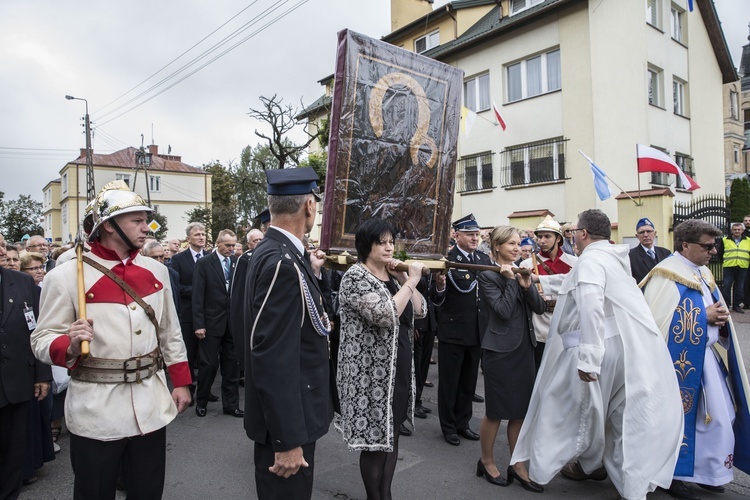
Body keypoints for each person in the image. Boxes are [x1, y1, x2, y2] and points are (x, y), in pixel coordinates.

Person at [31, 181, 192, 499]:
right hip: (97, 410)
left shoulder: (156, 271)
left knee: (147, 491)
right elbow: (42, 338)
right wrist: (71, 344)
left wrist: (181, 381)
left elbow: (170, 332)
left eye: (146, 220)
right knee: (95, 493)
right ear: (108, 225)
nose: (147, 228)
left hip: (150, 404)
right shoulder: (64, 276)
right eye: (137, 220)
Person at [510, 209, 683, 500]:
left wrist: (589, 359)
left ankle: (535, 467)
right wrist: (538, 280)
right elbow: (575, 283)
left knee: (559, 407)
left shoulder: (591, 260)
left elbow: (590, 304)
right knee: (610, 417)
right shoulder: (609, 257)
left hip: (595, 348)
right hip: (621, 349)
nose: (572, 236)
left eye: (574, 231)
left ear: (584, 234)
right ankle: (611, 473)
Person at [243, 167, 335, 500]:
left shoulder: (274, 253)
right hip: (286, 425)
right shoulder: (282, 262)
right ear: (309, 206)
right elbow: (271, 358)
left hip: (288, 414)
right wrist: (287, 441)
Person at [642, 219, 750, 500]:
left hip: (706, 361)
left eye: (714, 246)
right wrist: (705, 317)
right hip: (677, 366)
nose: (713, 251)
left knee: (721, 417)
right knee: (682, 420)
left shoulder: (701, 272)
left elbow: (713, 310)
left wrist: (720, 320)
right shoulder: (665, 275)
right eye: (707, 246)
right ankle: (675, 476)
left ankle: (707, 472)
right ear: (686, 245)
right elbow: (657, 323)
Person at [336, 218, 426, 500]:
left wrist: (403, 280)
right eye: (382, 242)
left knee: (392, 436)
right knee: (374, 444)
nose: (389, 248)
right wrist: (411, 280)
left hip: (396, 369)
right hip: (369, 375)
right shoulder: (355, 277)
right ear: (366, 245)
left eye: (391, 242)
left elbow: (421, 310)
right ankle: (374, 497)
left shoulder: (393, 278)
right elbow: (385, 315)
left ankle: (385, 494)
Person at [476, 226, 545, 491]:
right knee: (495, 412)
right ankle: (487, 461)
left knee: (520, 413)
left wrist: (526, 285)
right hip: (499, 351)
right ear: (496, 247)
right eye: (511, 244)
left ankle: (517, 464)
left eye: (518, 244)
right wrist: (511, 281)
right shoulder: (488, 275)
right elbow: (503, 311)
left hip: (524, 349)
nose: (517, 248)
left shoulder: (521, 271)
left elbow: (538, 307)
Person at [429, 213, 490, 446]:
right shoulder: (447, 260)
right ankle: (448, 426)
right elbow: (436, 298)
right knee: (450, 382)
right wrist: (440, 285)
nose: (475, 238)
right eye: (470, 234)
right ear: (457, 235)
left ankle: (464, 422)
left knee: (468, 381)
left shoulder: (483, 259)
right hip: (453, 331)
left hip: (476, 331)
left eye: (477, 234)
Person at [0, 262, 52, 499]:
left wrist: (42, 375)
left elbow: (37, 330)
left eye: (2, 245)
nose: (2, 250)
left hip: (17, 382)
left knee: (13, 455)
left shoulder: (22, 282)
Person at [192, 229, 242, 418]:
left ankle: (231, 405)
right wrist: (199, 324)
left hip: (232, 324)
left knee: (232, 366)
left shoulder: (238, 263)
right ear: (218, 243)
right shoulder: (204, 263)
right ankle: (202, 401)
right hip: (211, 324)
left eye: (234, 245)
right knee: (208, 365)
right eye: (228, 245)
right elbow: (198, 295)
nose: (231, 249)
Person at [519, 216, 577, 369]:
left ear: (558, 238)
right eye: (539, 236)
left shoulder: (574, 263)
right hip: (539, 324)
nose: (541, 240)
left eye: (547, 236)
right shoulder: (527, 264)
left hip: (565, 321)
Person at [170, 222, 209, 398]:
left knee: (206, 356)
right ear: (188, 239)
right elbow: (176, 287)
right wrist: (198, 290)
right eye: (197, 234)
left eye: (203, 234)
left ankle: (204, 390)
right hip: (187, 314)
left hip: (207, 313)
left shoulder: (210, 257)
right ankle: (189, 390)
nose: (201, 237)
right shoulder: (178, 259)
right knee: (189, 354)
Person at [716, 222, 750, 313]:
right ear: (732, 230)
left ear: (742, 230)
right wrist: (725, 261)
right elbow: (720, 253)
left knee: (740, 287)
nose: (737, 231)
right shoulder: (724, 240)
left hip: (743, 266)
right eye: (735, 229)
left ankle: (736, 305)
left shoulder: (748, 240)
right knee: (726, 285)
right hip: (729, 266)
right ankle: (726, 305)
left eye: (739, 229)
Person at [628, 217, 671, 285]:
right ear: (637, 236)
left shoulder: (665, 253)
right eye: (642, 232)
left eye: (648, 231)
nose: (646, 235)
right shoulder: (630, 256)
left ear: (654, 234)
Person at [142, 240, 180, 311]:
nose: (159, 260)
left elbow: (176, 301)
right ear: (145, 256)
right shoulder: (139, 274)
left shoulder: (173, 274)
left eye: (161, 256)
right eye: (154, 257)